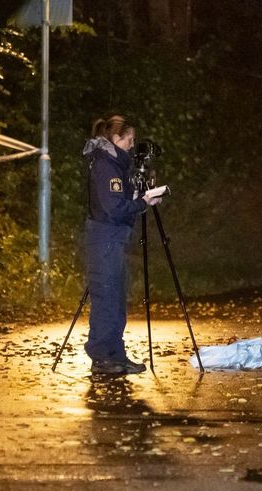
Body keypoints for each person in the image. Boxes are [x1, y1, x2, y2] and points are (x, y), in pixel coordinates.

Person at [81, 114, 163, 374]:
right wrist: (143, 203)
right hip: (104, 239)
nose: (132, 144)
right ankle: (103, 357)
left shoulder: (114, 164)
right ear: (116, 139)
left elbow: (118, 201)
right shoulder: (106, 164)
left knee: (115, 299)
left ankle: (116, 354)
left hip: (111, 239)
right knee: (106, 299)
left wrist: (139, 195)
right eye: (129, 139)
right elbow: (115, 208)